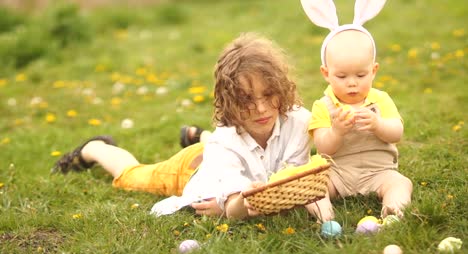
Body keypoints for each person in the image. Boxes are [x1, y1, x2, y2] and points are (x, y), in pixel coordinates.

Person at [52, 32, 313, 219]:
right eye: (246, 99)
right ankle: (96, 148)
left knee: (223, 143)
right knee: (133, 176)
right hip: (191, 170)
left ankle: (200, 136)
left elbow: (293, 180)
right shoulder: (225, 142)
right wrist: (233, 206)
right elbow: (236, 206)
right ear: (229, 102)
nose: (261, 108)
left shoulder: (299, 121)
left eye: (268, 94)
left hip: (219, 150)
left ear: (280, 87)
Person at [300, 0, 413, 221]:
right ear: (326, 73)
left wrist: (377, 125)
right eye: (341, 76)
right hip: (338, 173)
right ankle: (326, 216)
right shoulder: (322, 106)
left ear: (373, 70)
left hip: (378, 172)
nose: (352, 83)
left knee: (400, 182)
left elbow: (396, 132)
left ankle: (393, 211)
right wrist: (337, 132)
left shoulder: (380, 99)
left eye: (360, 75)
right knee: (314, 186)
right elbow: (322, 146)